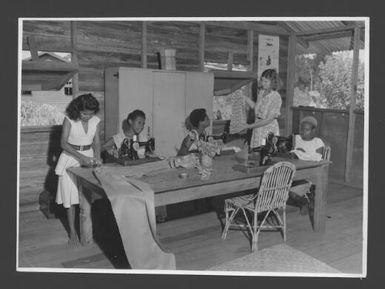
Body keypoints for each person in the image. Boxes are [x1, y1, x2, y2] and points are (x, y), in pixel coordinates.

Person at [55, 93, 102, 245]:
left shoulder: (96, 121)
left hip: (88, 157)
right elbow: (63, 143)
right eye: (84, 113)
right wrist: (81, 158)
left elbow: (97, 143)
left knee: (86, 197)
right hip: (70, 158)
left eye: (91, 113)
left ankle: (86, 232)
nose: (87, 116)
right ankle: (72, 232)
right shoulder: (69, 119)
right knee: (70, 199)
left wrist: (98, 157)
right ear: (77, 110)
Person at [241, 69, 282, 149]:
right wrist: (244, 97)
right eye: (262, 80)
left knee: (265, 153)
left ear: (273, 82)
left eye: (266, 81)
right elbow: (256, 107)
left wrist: (250, 126)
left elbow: (268, 119)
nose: (263, 83)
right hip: (257, 128)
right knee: (255, 153)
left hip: (268, 131)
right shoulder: (262, 92)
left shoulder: (276, 97)